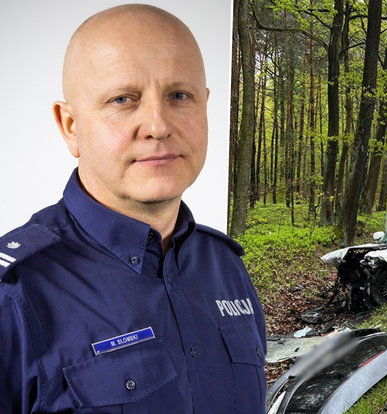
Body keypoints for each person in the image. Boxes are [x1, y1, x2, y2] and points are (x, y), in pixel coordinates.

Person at [0, 5, 266, 413]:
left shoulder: (225, 267)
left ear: (205, 105)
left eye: (180, 96)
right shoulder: (15, 295)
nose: (158, 125)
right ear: (70, 125)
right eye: (123, 99)